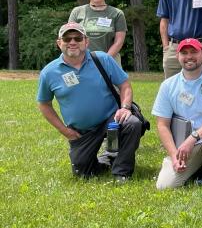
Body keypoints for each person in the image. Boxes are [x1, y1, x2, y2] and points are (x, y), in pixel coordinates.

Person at [36, 22, 142, 182]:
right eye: (67, 39)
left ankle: (122, 172)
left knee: (131, 123)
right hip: (81, 131)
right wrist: (65, 131)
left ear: (86, 42)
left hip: (111, 120)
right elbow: (44, 104)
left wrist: (125, 108)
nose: (72, 42)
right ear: (59, 43)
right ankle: (109, 158)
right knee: (83, 172)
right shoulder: (49, 72)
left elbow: (124, 85)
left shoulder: (102, 59)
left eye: (78, 38)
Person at [152, 38, 202, 189]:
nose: (189, 56)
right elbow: (162, 125)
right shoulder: (168, 85)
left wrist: (192, 138)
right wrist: (174, 155)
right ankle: (194, 170)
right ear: (178, 56)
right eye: (184, 53)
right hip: (183, 147)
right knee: (164, 186)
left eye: (194, 52)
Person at [68, 0, 127, 64]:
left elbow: (118, 42)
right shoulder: (77, 12)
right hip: (82, 62)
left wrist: (104, 60)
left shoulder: (117, 13)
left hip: (109, 62)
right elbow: (70, 38)